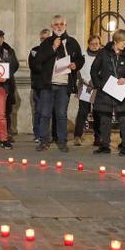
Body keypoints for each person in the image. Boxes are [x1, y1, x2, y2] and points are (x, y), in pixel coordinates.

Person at [34, 15, 84, 152]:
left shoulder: (72, 42)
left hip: (64, 85)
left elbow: (80, 59)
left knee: (61, 114)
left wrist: (76, 64)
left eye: (62, 24)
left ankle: (62, 141)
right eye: (56, 24)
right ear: (52, 27)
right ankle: (44, 140)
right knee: (45, 114)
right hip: (48, 85)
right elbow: (38, 61)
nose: (59, 27)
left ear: (65, 26)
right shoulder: (46, 43)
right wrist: (53, 49)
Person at [90, 29, 125, 156]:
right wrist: (100, 85)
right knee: (104, 119)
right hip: (105, 91)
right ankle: (105, 146)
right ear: (116, 40)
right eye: (123, 41)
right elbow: (94, 70)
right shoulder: (103, 53)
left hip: (122, 92)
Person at [73, 34, 102, 147]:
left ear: (100, 44)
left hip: (98, 87)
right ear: (88, 44)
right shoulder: (83, 56)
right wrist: (85, 81)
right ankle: (77, 136)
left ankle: (98, 137)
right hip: (85, 86)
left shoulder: (103, 56)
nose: (94, 46)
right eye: (92, 44)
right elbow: (79, 70)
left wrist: (96, 82)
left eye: (97, 44)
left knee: (98, 113)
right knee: (82, 112)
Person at [28, 28, 52, 143]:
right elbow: (35, 66)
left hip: (52, 85)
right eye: (42, 39)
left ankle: (48, 134)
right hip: (38, 85)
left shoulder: (55, 50)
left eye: (47, 39)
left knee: (50, 112)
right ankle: (38, 134)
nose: (44, 41)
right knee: (38, 111)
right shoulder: (34, 51)